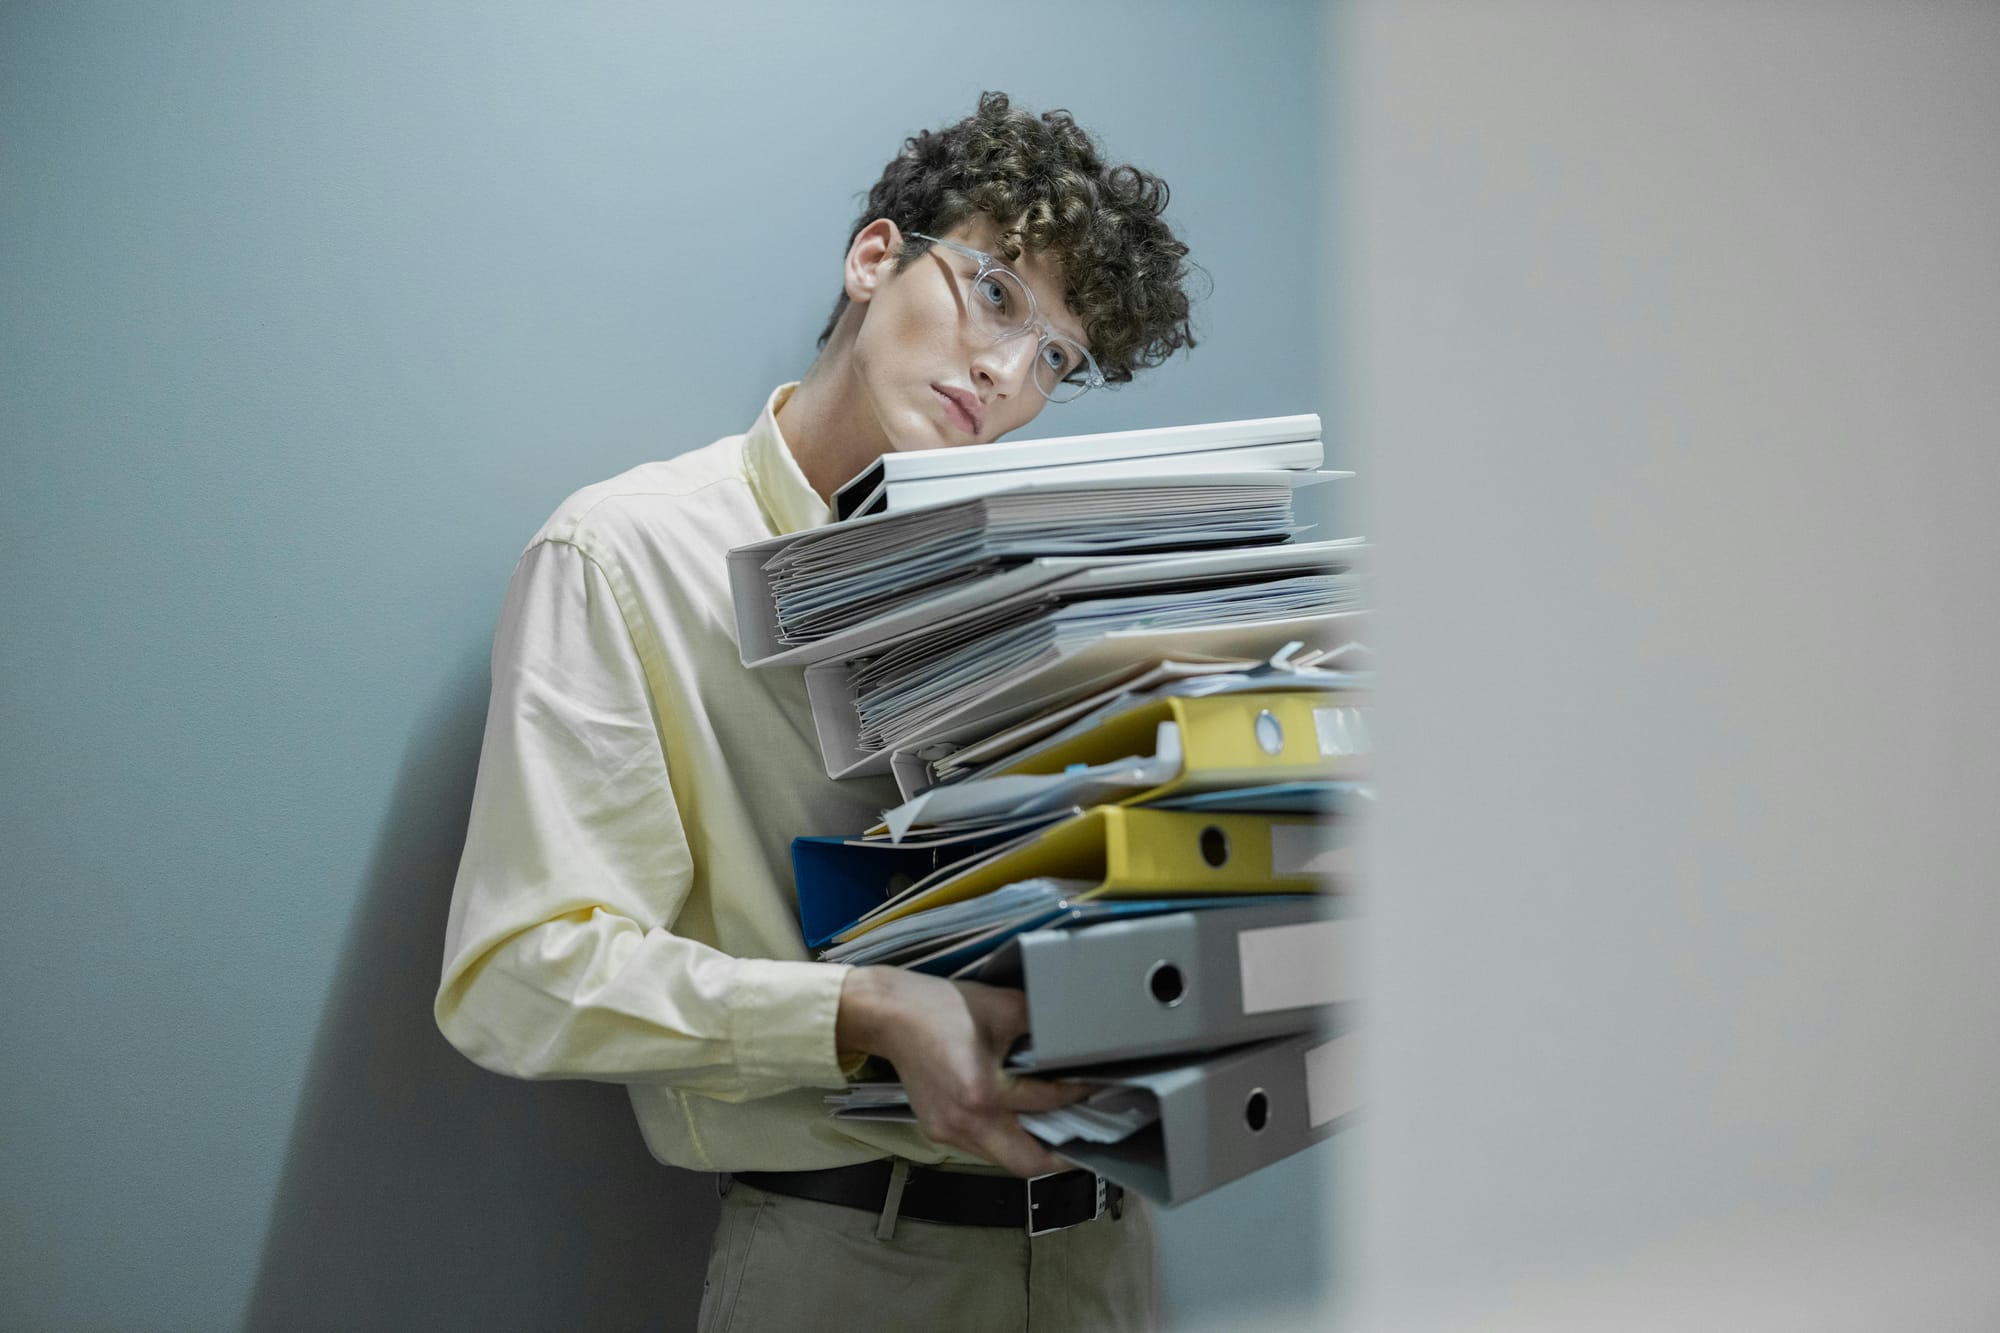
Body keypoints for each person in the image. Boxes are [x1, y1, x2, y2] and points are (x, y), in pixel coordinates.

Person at [434, 91, 1196, 1332]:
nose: (1007, 371)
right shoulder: (626, 555)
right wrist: (868, 1012)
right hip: (856, 1260)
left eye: (1054, 355)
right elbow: (520, 972)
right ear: (873, 258)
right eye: (995, 292)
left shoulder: (1040, 589)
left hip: (1107, 1259)